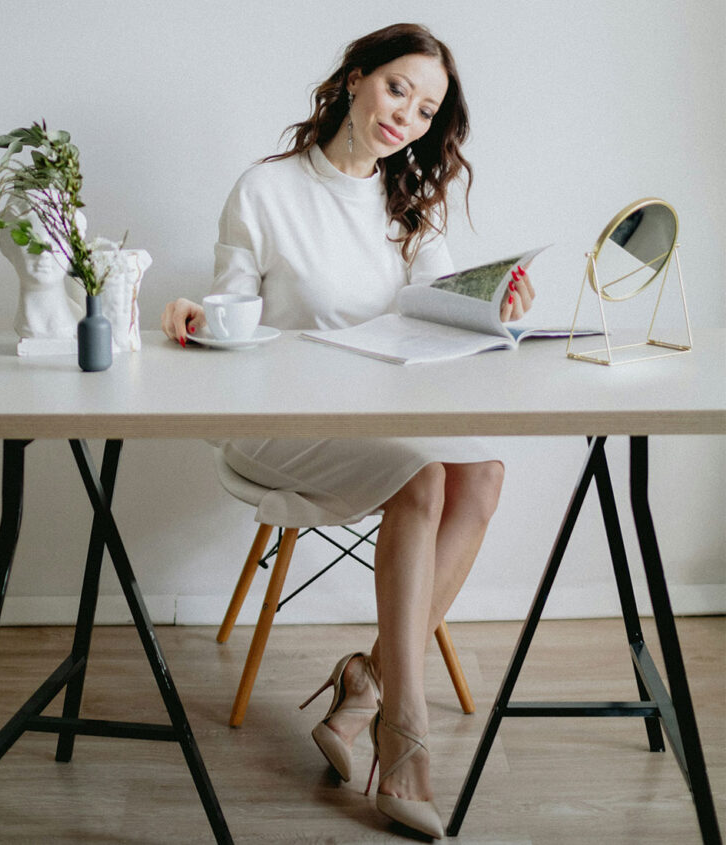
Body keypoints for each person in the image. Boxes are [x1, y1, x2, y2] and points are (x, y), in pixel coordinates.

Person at [162, 23, 534, 839]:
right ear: (357, 78)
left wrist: (493, 303)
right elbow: (233, 310)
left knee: (484, 472)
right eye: (399, 88)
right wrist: (194, 313)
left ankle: (362, 684)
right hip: (273, 422)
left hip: (380, 423)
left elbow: (441, 315)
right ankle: (407, 736)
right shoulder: (266, 189)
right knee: (425, 475)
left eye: (428, 107)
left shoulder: (408, 205)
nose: (408, 115)